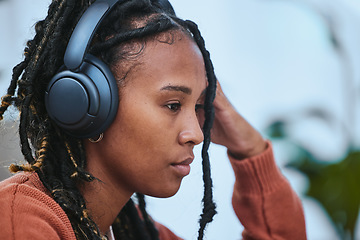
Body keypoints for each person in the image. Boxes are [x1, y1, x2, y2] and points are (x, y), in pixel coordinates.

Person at [0, 0, 307, 239]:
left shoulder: (130, 231)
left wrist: (249, 147)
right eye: (174, 105)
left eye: (199, 107)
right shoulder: (21, 219)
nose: (197, 134)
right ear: (87, 103)